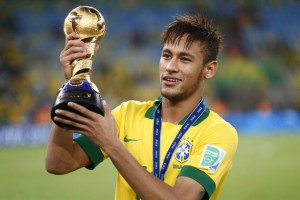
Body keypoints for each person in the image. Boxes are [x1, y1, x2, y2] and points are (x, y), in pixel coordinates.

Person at [46, 13, 238, 200]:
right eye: (166, 55)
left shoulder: (218, 132)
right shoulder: (127, 114)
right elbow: (59, 163)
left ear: (209, 69)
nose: (170, 66)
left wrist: (112, 144)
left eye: (185, 59)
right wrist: (73, 82)